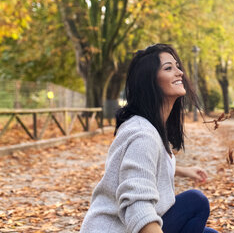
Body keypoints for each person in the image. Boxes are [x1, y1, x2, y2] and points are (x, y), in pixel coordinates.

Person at [80, 44, 218, 233]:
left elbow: (145, 167)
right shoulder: (143, 135)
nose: (180, 73)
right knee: (196, 201)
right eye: (169, 68)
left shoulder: (150, 126)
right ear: (150, 82)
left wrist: (183, 170)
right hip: (116, 229)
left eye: (178, 66)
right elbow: (136, 204)